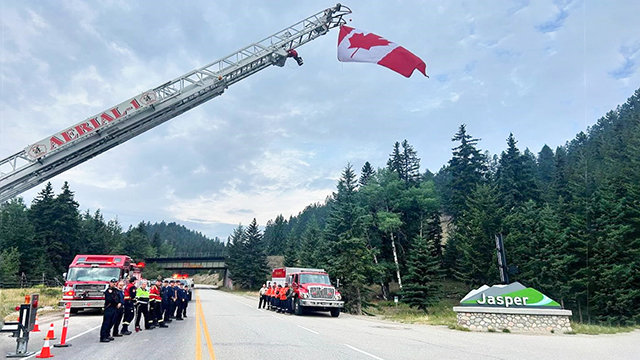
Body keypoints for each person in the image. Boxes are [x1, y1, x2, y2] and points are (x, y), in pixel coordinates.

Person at [100, 278, 120, 343]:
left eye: (115, 283)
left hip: (114, 308)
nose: (114, 284)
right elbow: (110, 299)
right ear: (110, 283)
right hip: (109, 308)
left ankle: (108, 334)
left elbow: (119, 298)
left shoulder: (116, 290)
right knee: (106, 322)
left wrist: (119, 303)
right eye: (113, 283)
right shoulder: (108, 291)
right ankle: (103, 337)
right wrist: (116, 303)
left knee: (112, 322)